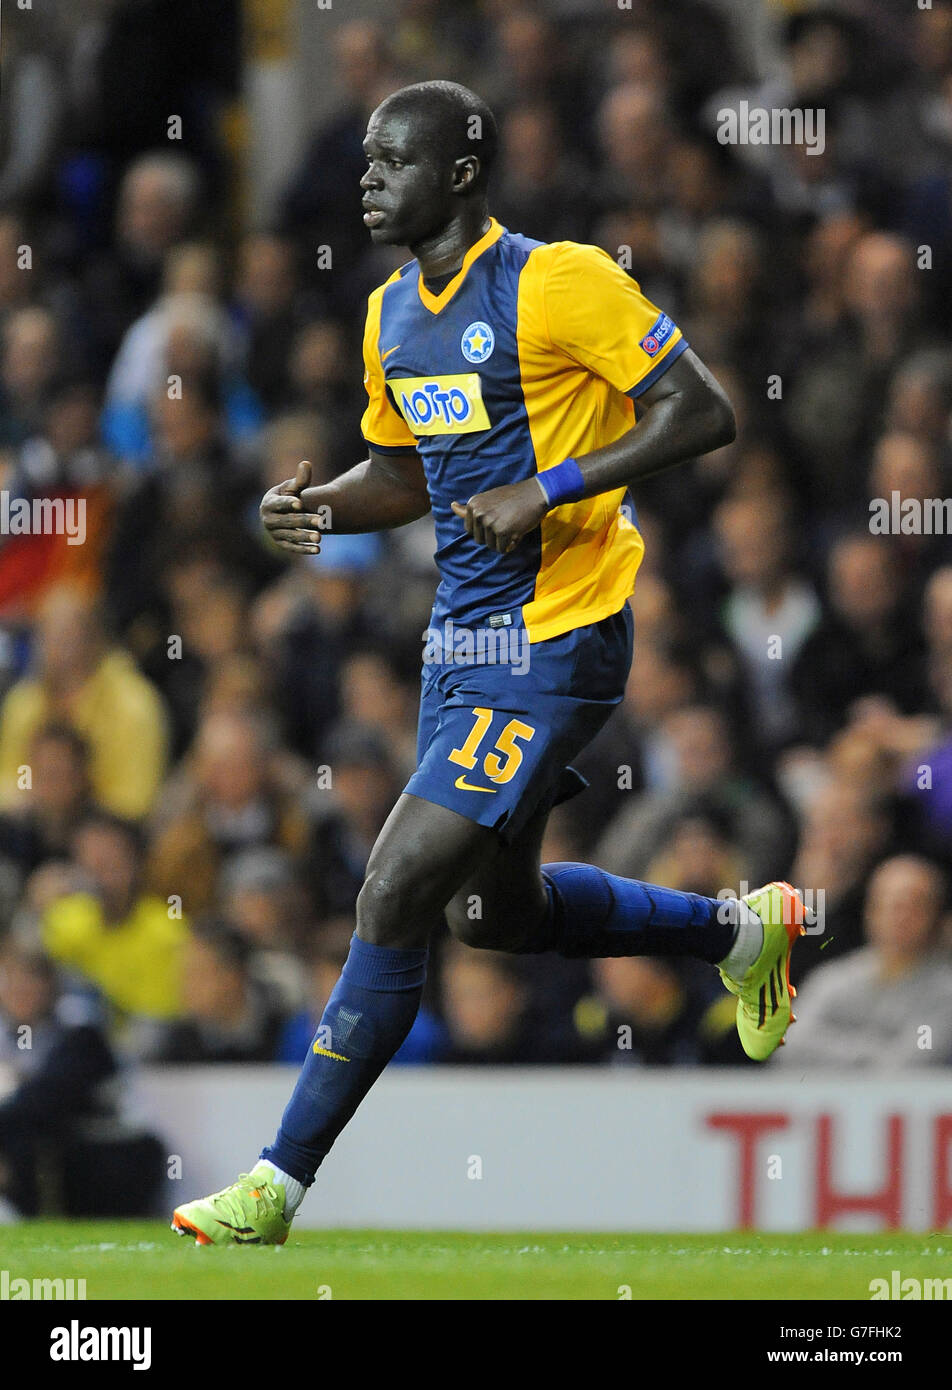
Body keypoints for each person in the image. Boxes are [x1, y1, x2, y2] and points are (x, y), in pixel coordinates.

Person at [172, 80, 808, 1247]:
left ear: (459, 173)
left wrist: (551, 486)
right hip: (461, 646)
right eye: (363, 159)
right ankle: (741, 934)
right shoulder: (387, 316)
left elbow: (703, 409)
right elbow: (405, 473)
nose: (367, 179)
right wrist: (316, 505)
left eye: (390, 161)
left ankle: (277, 1182)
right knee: (489, 916)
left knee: (393, 886)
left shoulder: (558, 280)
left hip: (561, 631)